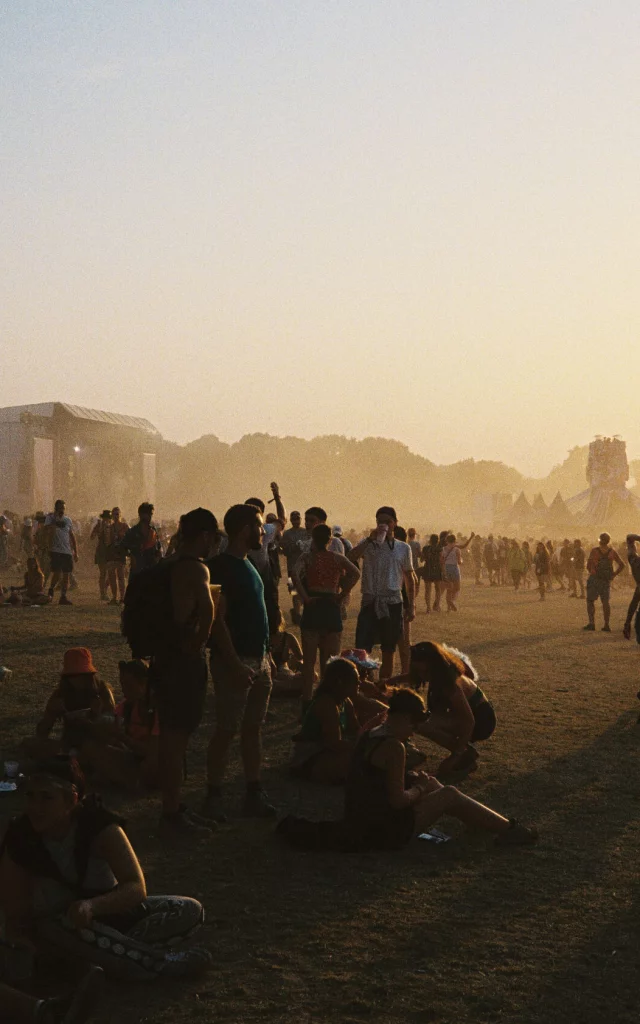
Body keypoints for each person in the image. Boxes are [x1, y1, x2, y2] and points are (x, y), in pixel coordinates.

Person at [0, 756, 212, 982]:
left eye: (46, 798)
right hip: (57, 932)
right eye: (30, 797)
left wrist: (92, 907)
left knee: (189, 910)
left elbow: (135, 887)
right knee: (56, 926)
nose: (35, 807)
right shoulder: (21, 837)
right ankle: (155, 964)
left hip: (106, 917)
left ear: (71, 799)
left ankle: (108, 958)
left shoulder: (100, 826)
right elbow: (16, 913)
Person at [343, 688, 537, 849]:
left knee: (433, 784)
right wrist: (419, 787)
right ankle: (509, 830)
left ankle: (491, 823)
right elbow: (398, 801)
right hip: (380, 831)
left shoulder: (371, 734)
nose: (413, 733)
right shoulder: (394, 746)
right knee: (448, 794)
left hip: (360, 817)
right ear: (403, 718)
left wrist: (417, 781)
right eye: (414, 727)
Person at [204, 504, 276, 822]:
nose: (264, 532)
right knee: (226, 730)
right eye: (260, 526)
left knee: (253, 729)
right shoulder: (220, 568)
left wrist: (267, 656)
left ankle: (253, 790)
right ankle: (214, 794)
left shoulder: (250, 565)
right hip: (236, 662)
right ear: (246, 528)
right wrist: (234, 663)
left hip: (259, 660)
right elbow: (216, 622)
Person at [150, 507, 218, 836]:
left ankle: (173, 807)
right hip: (183, 660)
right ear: (204, 536)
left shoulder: (166, 565)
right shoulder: (195, 569)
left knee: (169, 738)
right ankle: (172, 813)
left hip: (162, 658)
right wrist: (197, 645)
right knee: (177, 740)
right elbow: (207, 613)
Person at [293, 523, 361, 704]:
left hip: (313, 605)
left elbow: (294, 573)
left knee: (309, 664)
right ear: (330, 540)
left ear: (313, 539)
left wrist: (305, 597)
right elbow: (356, 573)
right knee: (329, 664)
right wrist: (342, 594)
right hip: (331, 606)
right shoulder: (337, 558)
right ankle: (327, 703)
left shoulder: (307, 557)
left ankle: (307, 704)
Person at [407, 642, 496, 777]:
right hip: (472, 716)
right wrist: (388, 683)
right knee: (424, 721)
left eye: (424, 671)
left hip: (482, 722)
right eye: (418, 671)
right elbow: (410, 679)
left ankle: (464, 754)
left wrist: (455, 755)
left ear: (434, 666)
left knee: (422, 724)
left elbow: (469, 721)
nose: (422, 675)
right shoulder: (442, 673)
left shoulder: (450, 685)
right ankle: (465, 753)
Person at [349, 506, 415, 680]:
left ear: (395, 523)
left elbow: (409, 577)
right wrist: (368, 540)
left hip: (392, 602)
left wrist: (411, 606)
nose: (383, 525)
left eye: (387, 522)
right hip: (370, 600)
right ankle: (366, 684)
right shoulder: (368, 545)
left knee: (389, 648)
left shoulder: (403, 548)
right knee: (363, 648)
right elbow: (350, 557)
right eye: (380, 522)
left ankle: (384, 686)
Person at [21, 648, 116, 764]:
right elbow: (41, 733)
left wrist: (96, 717)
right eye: (72, 675)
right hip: (68, 746)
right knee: (29, 744)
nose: (77, 680)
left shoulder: (102, 692)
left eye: (82, 675)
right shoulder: (61, 694)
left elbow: (112, 733)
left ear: (90, 675)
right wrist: (50, 714)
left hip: (94, 746)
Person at [290, 658, 361, 783]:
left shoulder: (345, 702)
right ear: (340, 682)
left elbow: (356, 730)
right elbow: (334, 744)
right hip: (311, 756)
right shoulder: (327, 704)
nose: (359, 684)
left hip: (327, 752)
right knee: (355, 759)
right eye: (356, 681)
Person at [245, 482, 286, 635]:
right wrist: (277, 497)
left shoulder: (234, 532)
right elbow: (282, 519)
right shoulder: (266, 530)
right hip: (263, 581)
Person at [584, 532, 625, 632]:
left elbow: (588, 565)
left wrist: (592, 572)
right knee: (605, 602)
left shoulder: (594, 551)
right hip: (606, 580)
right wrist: (613, 575)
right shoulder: (612, 552)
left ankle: (592, 623)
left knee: (590, 601)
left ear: (600, 540)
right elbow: (622, 565)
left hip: (594, 579)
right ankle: (606, 625)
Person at [45, 501, 78, 606]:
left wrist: (75, 551)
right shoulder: (50, 518)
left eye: (63, 508)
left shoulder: (68, 520)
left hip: (67, 551)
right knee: (57, 572)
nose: (62, 510)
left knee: (66, 574)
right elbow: (47, 531)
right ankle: (51, 589)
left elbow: (72, 535)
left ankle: (63, 596)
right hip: (55, 550)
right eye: (60, 508)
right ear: (55, 508)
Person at [280, 510, 308, 624]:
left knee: (306, 589)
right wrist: (295, 547)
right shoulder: (287, 534)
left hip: (305, 567)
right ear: (291, 520)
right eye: (294, 519)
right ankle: (296, 615)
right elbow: (284, 550)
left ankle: (305, 615)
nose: (296, 520)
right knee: (294, 592)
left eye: (298, 518)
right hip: (292, 567)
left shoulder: (306, 532)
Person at [120, 503, 162, 577]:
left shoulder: (153, 531)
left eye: (151, 514)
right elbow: (122, 548)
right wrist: (131, 556)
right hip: (137, 571)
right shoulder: (132, 532)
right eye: (148, 514)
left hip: (151, 570)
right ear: (141, 515)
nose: (150, 516)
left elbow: (158, 548)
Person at [440, 532, 475, 611]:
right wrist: (470, 537)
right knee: (457, 588)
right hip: (454, 568)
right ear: (454, 540)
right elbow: (459, 561)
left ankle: (448, 607)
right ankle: (451, 601)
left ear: (447, 541)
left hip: (446, 568)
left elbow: (441, 561)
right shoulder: (456, 549)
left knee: (449, 588)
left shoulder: (443, 549)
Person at [90, 511, 114, 602]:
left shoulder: (112, 526)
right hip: (102, 551)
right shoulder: (99, 525)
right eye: (105, 517)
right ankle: (103, 593)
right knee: (103, 573)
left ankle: (104, 590)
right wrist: (98, 531)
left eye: (108, 517)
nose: (107, 519)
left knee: (110, 573)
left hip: (110, 551)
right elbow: (92, 537)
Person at [106, 506, 128, 604]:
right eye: (114, 514)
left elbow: (129, 539)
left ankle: (122, 597)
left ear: (120, 515)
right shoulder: (110, 527)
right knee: (111, 576)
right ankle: (114, 597)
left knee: (121, 576)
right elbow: (108, 542)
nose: (115, 516)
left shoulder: (125, 526)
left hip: (121, 553)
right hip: (112, 553)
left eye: (117, 514)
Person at [623, 534, 640, 639]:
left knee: (634, 604)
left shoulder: (632, 558)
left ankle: (627, 624)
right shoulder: (634, 558)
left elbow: (629, 537)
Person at [421, 534, 443, 613]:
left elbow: (421, 560)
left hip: (428, 569)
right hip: (437, 569)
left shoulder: (425, 548)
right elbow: (441, 560)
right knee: (438, 589)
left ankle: (428, 608)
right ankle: (437, 605)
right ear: (437, 541)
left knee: (428, 590)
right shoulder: (439, 549)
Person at [407, 529, 422, 595]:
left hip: (406, 567)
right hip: (415, 567)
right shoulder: (416, 544)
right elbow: (419, 555)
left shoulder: (405, 543)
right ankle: (413, 601)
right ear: (414, 535)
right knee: (416, 586)